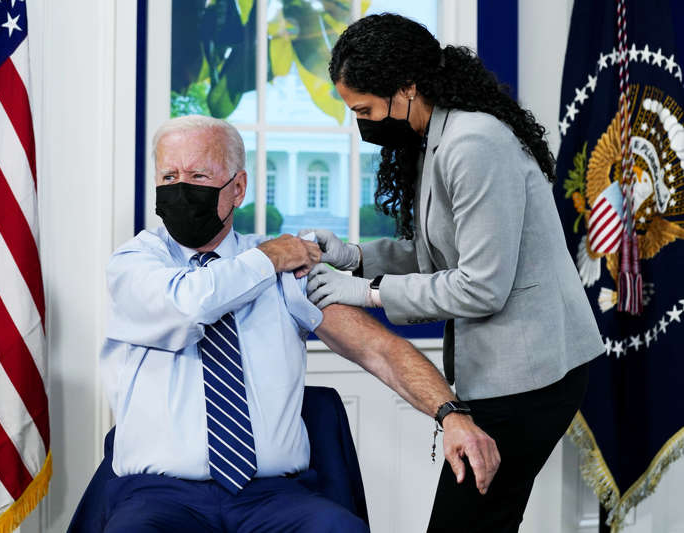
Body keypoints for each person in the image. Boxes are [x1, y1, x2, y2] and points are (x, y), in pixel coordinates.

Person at [99, 115, 500, 532]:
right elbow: (191, 304)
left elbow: (379, 350)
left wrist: (451, 414)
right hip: (160, 494)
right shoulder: (136, 264)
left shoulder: (288, 271)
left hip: (270, 495)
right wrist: (269, 258)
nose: (181, 188)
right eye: (169, 176)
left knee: (338, 529)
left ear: (238, 189)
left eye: (198, 175)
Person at [302, 13, 605, 533]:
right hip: (504, 373)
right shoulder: (436, 136)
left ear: (406, 87)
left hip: (532, 377)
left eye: (365, 110)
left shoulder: (473, 143)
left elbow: (481, 286)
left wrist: (367, 292)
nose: (363, 123)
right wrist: (353, 255)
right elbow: (438, 256)